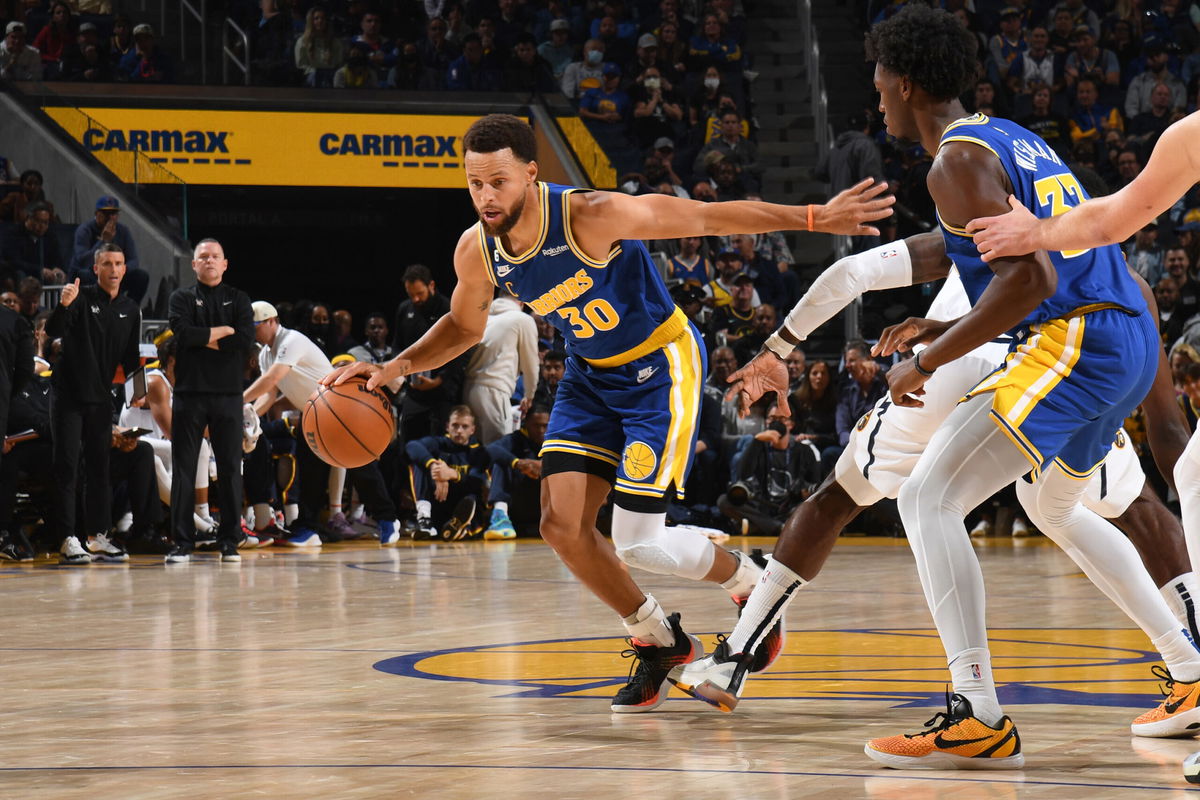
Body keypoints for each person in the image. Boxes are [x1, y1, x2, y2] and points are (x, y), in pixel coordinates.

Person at [324, 113, 891, 712]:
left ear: (531, 173)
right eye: (475, 184)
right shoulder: (478, 248)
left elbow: (706, 216)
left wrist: (810, 218)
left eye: (499, 182)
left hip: (658, 369)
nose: (486, 197)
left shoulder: (591, 215)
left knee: (638, 543)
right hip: (589, 377)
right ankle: (658, 638)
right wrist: (392, 370)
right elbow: (464, 325)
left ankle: (754, 585)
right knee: (561, 527)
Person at [243, 301, 399, 546]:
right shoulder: (265, 354)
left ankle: (388, 519)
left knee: (361, 468)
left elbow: (273, 378)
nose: (252, 331)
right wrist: (250, 412)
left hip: (339, 409)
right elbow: (271, 394)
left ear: (272, 321)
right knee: (309, 474)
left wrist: (237, 401)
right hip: (314, 415)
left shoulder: (291, 340)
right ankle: (308, 527)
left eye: (256, 326)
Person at [46, 244, 140, 565]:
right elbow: (53, 332)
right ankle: (67, 538)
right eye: (107, 264)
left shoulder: (131, 308)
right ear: (95, 268)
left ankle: (98, 536)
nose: (113, 270)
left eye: (119, 264)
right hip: (69, 397)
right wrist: (63, 306)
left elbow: (130, 360)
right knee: (68, 467)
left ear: (125, 269)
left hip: (101, 400)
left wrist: (137, 393)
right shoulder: (80, 296)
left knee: (100, 470)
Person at [166, 239, 254, 563]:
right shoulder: (181, 297)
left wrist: (204, 337)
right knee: (185, 469)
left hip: (229, 396)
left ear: (225, 263)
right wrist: (223, 332)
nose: (209, 261)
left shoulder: (240, 299)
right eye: (203, 257)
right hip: (189, 395)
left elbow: (243, 342)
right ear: (194, 264)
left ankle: (230, 540)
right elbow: (183, 335)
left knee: (231, 469)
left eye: (215, 256)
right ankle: (182, 543)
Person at [405, 404, 491, 540]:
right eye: (455, 425)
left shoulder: (479, 451)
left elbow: (477, 482)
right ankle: (424, 519)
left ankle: (461, 527)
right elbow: (411, 446)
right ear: (447, 427)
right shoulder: (439, 443)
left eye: (464, 426)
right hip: (439, 498)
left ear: (472, 430)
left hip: (462, 500)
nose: (459, 431)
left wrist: (452, 474)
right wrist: (434, 466)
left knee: (472, 498)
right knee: (418, 463)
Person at [463, 291, 539, 444]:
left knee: (475, 452)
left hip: (468, 390)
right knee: (499, 450)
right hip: (494, 392)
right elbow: (531, 363)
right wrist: (529, 395)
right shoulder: (522, 319)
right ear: (521, 302)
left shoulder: (484, 319)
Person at [486, 405, 549, 538]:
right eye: (536, 426)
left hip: (547, 503)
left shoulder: (556, 440)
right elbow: (490, 449)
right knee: (501, 462)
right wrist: (517, 463)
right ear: (526, 423)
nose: (541, 430)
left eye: (545, 426)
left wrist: (545, 465)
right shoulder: (516, 439)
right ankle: (500, 517)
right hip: (519, 500)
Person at [70, 196, 149, 303]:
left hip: (114, 273)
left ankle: (127, 309)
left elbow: (133, 260)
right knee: (85, 275)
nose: (111, 218)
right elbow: (83, 261)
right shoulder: (85, 230)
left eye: (114, 214)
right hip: (93, 273)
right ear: (97, 214)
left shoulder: (123, 231)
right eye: (106, 214)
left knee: (141, 276)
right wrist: (104, 241)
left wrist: (120, 270)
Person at [2, 202, 66, 285]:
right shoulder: (13, 234)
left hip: (44, 275)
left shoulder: (50, 236)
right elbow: (14, 261)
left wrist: (56, 268)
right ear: (28, 218)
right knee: (20, 275)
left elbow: (57, 258)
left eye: (45, 223)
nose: (42, 226)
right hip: (21, 274)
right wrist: (39, 270)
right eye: (38, 221)